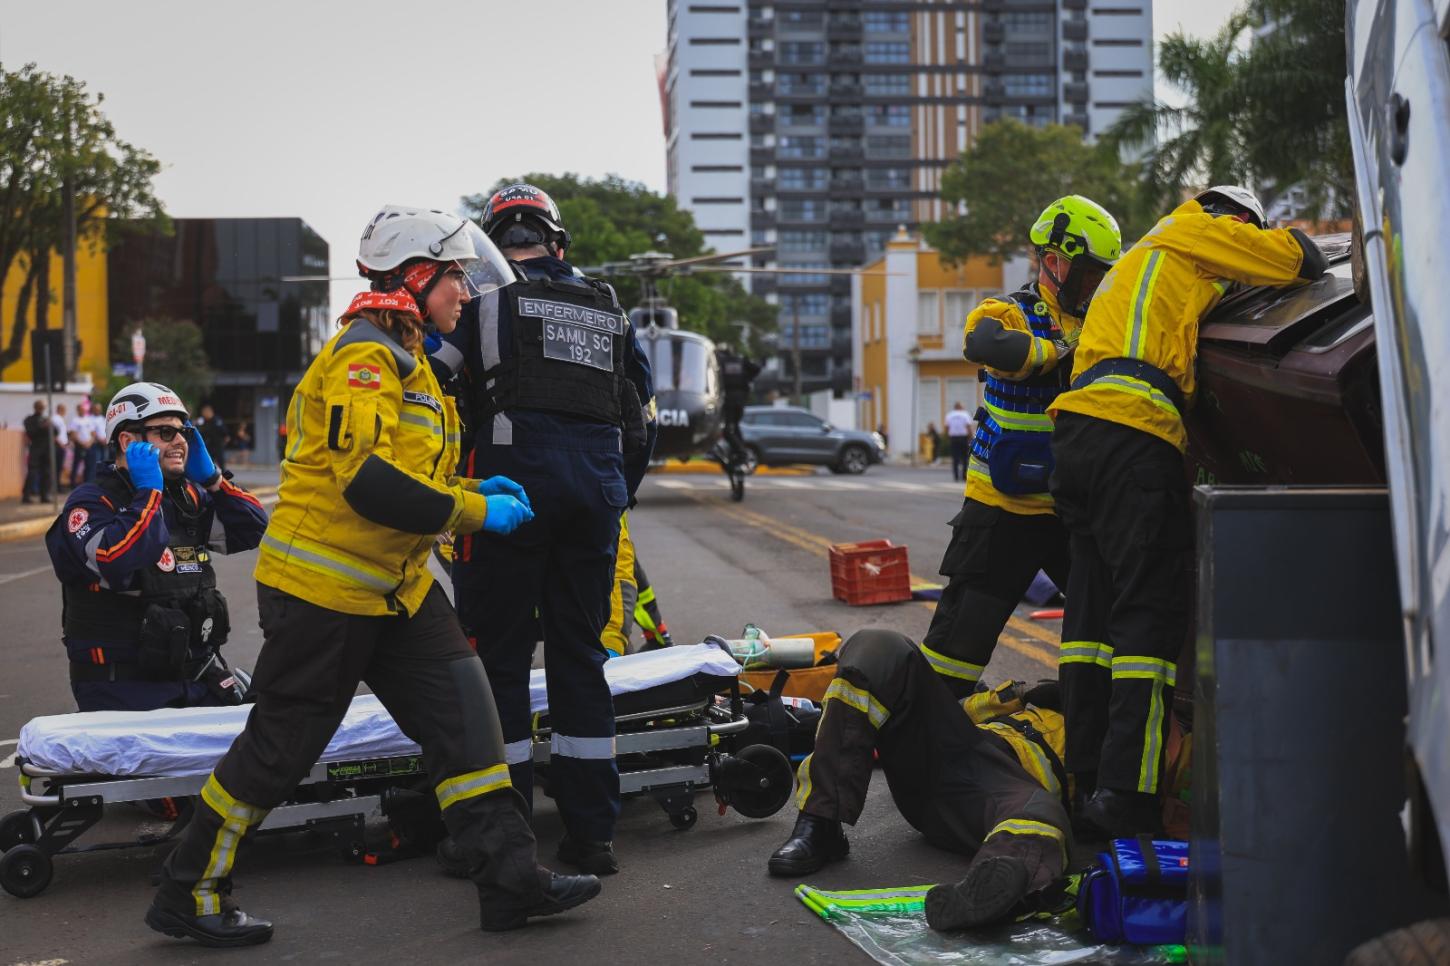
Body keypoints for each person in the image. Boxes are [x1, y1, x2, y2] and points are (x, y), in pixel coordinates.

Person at [145, 205, 600, 948]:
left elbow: (413, 476)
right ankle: (186, 887)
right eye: (455, 276)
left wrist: (472, 496)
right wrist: (473, 510)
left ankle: (511, 880)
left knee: (467, 719)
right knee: (280, 750)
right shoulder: (364, 358)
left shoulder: (413, 359)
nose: (464, 291)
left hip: (396, 588)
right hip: (324, 593)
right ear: (418, 275)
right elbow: (369, 485)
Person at [1048, 185, 1329, 838]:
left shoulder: (1140, 262)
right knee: (1147, 616)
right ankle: (1129, 793)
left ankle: (1082, 782)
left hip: (1080, 435)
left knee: (1090, 622)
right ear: (1233, 218)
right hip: (1133, 432)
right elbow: (1300, 260)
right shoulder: (1196, 228)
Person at [435, 183, 655, 878]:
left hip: (508, 497)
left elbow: (434, 386)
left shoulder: (480, 303)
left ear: (489, 247)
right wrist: (615, 496)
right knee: (580, 660)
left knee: (496, 663)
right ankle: (592, 836)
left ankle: (506, 838)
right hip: (594, 497)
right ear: (559, 243)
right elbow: (637, 411)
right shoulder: (608, 307)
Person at [919, 197, 1121, 699]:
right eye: (1089, 274)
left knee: (1111, 631)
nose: (1097, 286)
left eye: (1104, 276)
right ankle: (928, 735)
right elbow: (986, 346)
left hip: (1073, 511)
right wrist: (1059, 351)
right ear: (1054, 262)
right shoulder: (1007, 311)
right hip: (1001, 512)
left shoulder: (1102, 321)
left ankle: (1084, 729)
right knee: (956, 650)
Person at [767, 629, 1072, 932]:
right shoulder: (1065, 697)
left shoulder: (1112, 739)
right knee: (879, 645)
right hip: (958, 748)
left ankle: (990, 892)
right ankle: (820, 820)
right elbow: (959, 711)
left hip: (998, 788)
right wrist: (1018, 694)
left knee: (1040, 813)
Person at [46, 382, 268, 711]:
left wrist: (214, 481)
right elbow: (118, 559)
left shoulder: (186, 496)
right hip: (124, 686)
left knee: (266, 730)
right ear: (128, 440)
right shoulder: (93, 502)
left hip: (193, 674)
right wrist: (149, 492)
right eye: (165, 432)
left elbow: (251, 528)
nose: (180, 441)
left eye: (184, 432)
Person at [717, 344, 761, 465]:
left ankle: (741, 453)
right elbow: (757, 368)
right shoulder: (741, 361)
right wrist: (747, 378)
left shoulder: (720, 363)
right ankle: (739, 453)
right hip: (741, 400)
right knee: (735, 427)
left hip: (728, 400)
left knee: (726, 430)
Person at [22, 400, 55, 503]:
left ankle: (44, 496)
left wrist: (51, 425)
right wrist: (42, 427)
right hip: (36, 449)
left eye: (43, 407)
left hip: (47, 450)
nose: (41, 409)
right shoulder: (29, 419)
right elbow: (31, 433)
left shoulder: (46, 419)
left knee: (47, 473)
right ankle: (26, 496)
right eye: (40, 407)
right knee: (32, 473)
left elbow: (56, 432)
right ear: (35, 407)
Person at [67, 399, 96, 485]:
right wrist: (82, 443)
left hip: (89, 445)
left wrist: (89, 442)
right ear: (78, 410)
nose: (83, 411)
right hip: (80, 446)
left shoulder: (88, 420)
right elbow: (73, 435)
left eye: (84, 409)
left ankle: (88, 483)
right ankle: (73, 484)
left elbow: (93, 433)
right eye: (81, 409)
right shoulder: (75, 420)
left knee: (89, 465)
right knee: (76, 465)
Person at [944, 402, 974, 481]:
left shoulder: (949, 415)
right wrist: (971, 438)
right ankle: (964, 476)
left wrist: (947, 437)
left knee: (955, 458)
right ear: (961, 407)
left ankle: (956, 476)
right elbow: (968, 427)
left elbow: (947, 427)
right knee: (965, 458)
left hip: (953, 438)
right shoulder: (965, 414)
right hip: (963, 438)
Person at [195, 403, 229, 474]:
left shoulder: (217, 420)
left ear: (209, 412)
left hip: (218, 445)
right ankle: (211, 476)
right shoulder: (203, 421)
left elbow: (224, 431)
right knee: (209, 462)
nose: (203, 414)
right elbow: (198, 430)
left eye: (205, 412)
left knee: (221, 462)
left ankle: (224, 479)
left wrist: (226, 438)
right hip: (209, 445)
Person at [51, 402, 71, 489]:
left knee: (59, 467)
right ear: (60, 409)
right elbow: (53, 434)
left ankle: (58, 485)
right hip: (58, 446)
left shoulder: (60, 419)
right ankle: (55, 486)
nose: (65, 411)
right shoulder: (55, 419)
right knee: (56, 467)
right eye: (64, 410)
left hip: (62, 445)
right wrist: (60, 444)